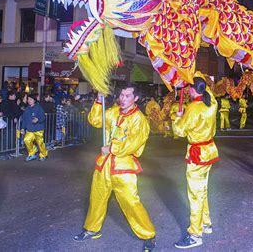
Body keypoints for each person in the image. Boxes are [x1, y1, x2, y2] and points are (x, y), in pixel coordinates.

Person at [74, 85, 156, 251]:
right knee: (96, 198)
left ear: (136, 98)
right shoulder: (113, 112)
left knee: (131, 202)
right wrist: (99, 99)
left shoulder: (139, 119)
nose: (123, 98)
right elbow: (95, 120)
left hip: (123, 168)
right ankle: (92, 229)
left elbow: (134, 143)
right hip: (104, 165)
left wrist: (112, 149)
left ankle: (148, 235)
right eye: (121, 95)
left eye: (127, 96)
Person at [172, 76, 219, 249]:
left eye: (189, 88)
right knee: (203, 190)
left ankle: (195, 234)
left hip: (197, 154)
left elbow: (179, 131)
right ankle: (205, 223)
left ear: (192, 90)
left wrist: (177, 117)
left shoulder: (193, 107)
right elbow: (210, 93)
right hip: (209, 152)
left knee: (195, 195)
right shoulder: (211, 103)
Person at [21, 94, 48, 161]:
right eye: (28, 99)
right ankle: (32, 154)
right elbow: (24, 119)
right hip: (30, 129)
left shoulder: (39, 108)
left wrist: (38, 119)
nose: (29, 100)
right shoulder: (27, 109)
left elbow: (43, 117)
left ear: (34, 100)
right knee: (26, 140)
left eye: (31, 99)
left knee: (40, 143)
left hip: (38, 129)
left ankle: (43, 155)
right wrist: (22, 128)